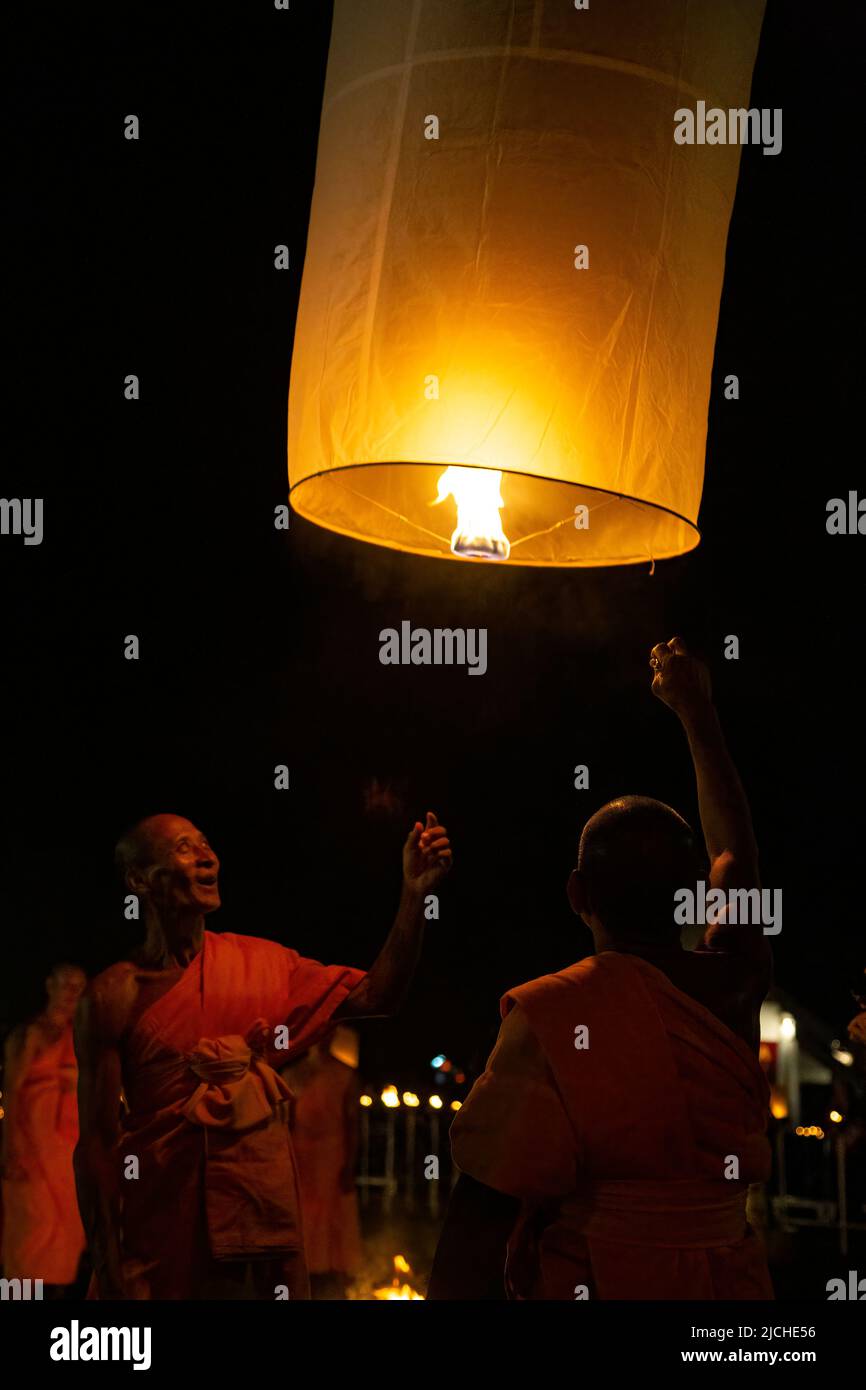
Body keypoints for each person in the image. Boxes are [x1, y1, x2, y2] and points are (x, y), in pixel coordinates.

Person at [428, 637, 773, 1301]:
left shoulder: (553, 1016)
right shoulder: (735, 982)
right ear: (692, 895)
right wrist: (697, 710)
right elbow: (737, 853)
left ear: (578, 896)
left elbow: (481, 1214)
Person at [74, 809, 451, 1299]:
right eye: (184, 849)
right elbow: (99, 1145)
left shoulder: (263, 965)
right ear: (139, 880)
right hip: (158, 1230)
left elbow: (379, 997)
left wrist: (415, 895)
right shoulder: (112, 996)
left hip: (256, 1235)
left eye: (207, 844)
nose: (208, 858)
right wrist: (107, 1262)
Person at [1, 963, 87, 1294]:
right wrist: (10, 1148)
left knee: (66, 1233)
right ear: (49, 986)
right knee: (31, 1233)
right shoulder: (31, 1034)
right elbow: (12, 1091)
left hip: (66, 1150)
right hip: (32, 1146)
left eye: (78, 988)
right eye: (65, 986)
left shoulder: (81, 1036)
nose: (71, 995)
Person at [282, 1025, 363, 1298]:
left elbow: (352, 1124)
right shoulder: (295, 1074)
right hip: (301, 1151)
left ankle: (332, 1269)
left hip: (331, 1152)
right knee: (304, 1210)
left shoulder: (345, 1075)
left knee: (331, 1210)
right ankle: (304, 1266)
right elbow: (287, 1119)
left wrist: (349, 1165)